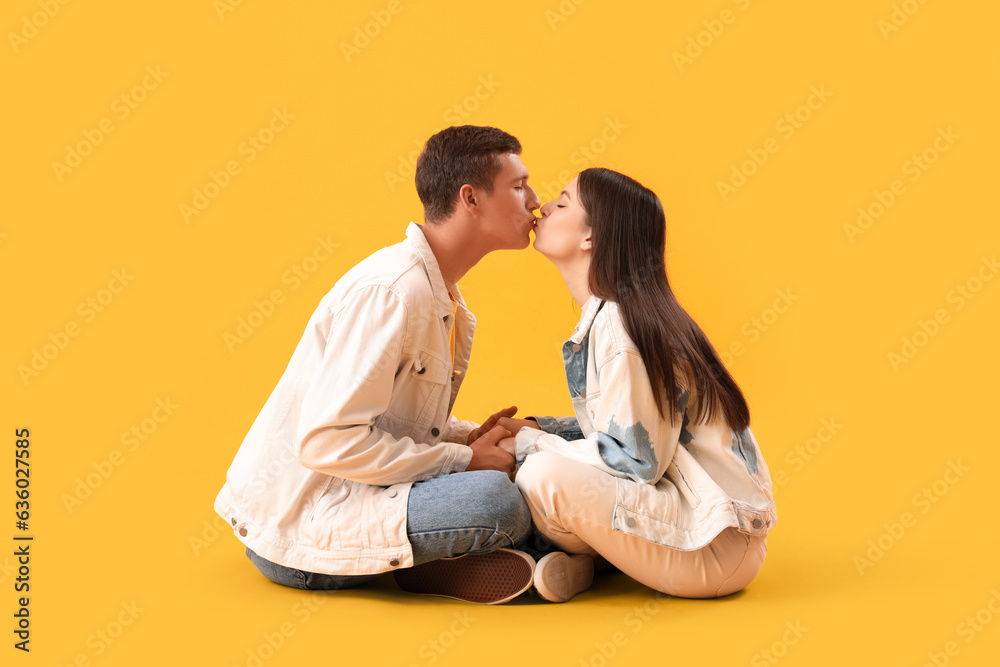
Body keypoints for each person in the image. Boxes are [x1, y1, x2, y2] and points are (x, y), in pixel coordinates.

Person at [214, 125, 545, 604]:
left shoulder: (442, 295)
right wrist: (466, 461)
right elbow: (329, 442)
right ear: (470, 198)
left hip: (361, 495)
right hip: (298, 534)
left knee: (542, 438)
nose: (535, 200)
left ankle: (494, 561)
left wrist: (464, 438)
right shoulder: (391, 292)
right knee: (497, 501)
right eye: (519, 186)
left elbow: (388, 419)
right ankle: (522, 551)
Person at [497, 167, 778, 602]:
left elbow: (635, 461)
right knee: (543, 464)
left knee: (541, 477)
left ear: (591, 237)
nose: (543, 205)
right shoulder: (627, 313)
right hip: (726, 542)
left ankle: (561, 558)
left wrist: (525, 446)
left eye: (563, 201)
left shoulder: (620, 323)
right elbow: (622, 426)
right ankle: (583, 568)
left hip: (710, 549)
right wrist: (538, 428)